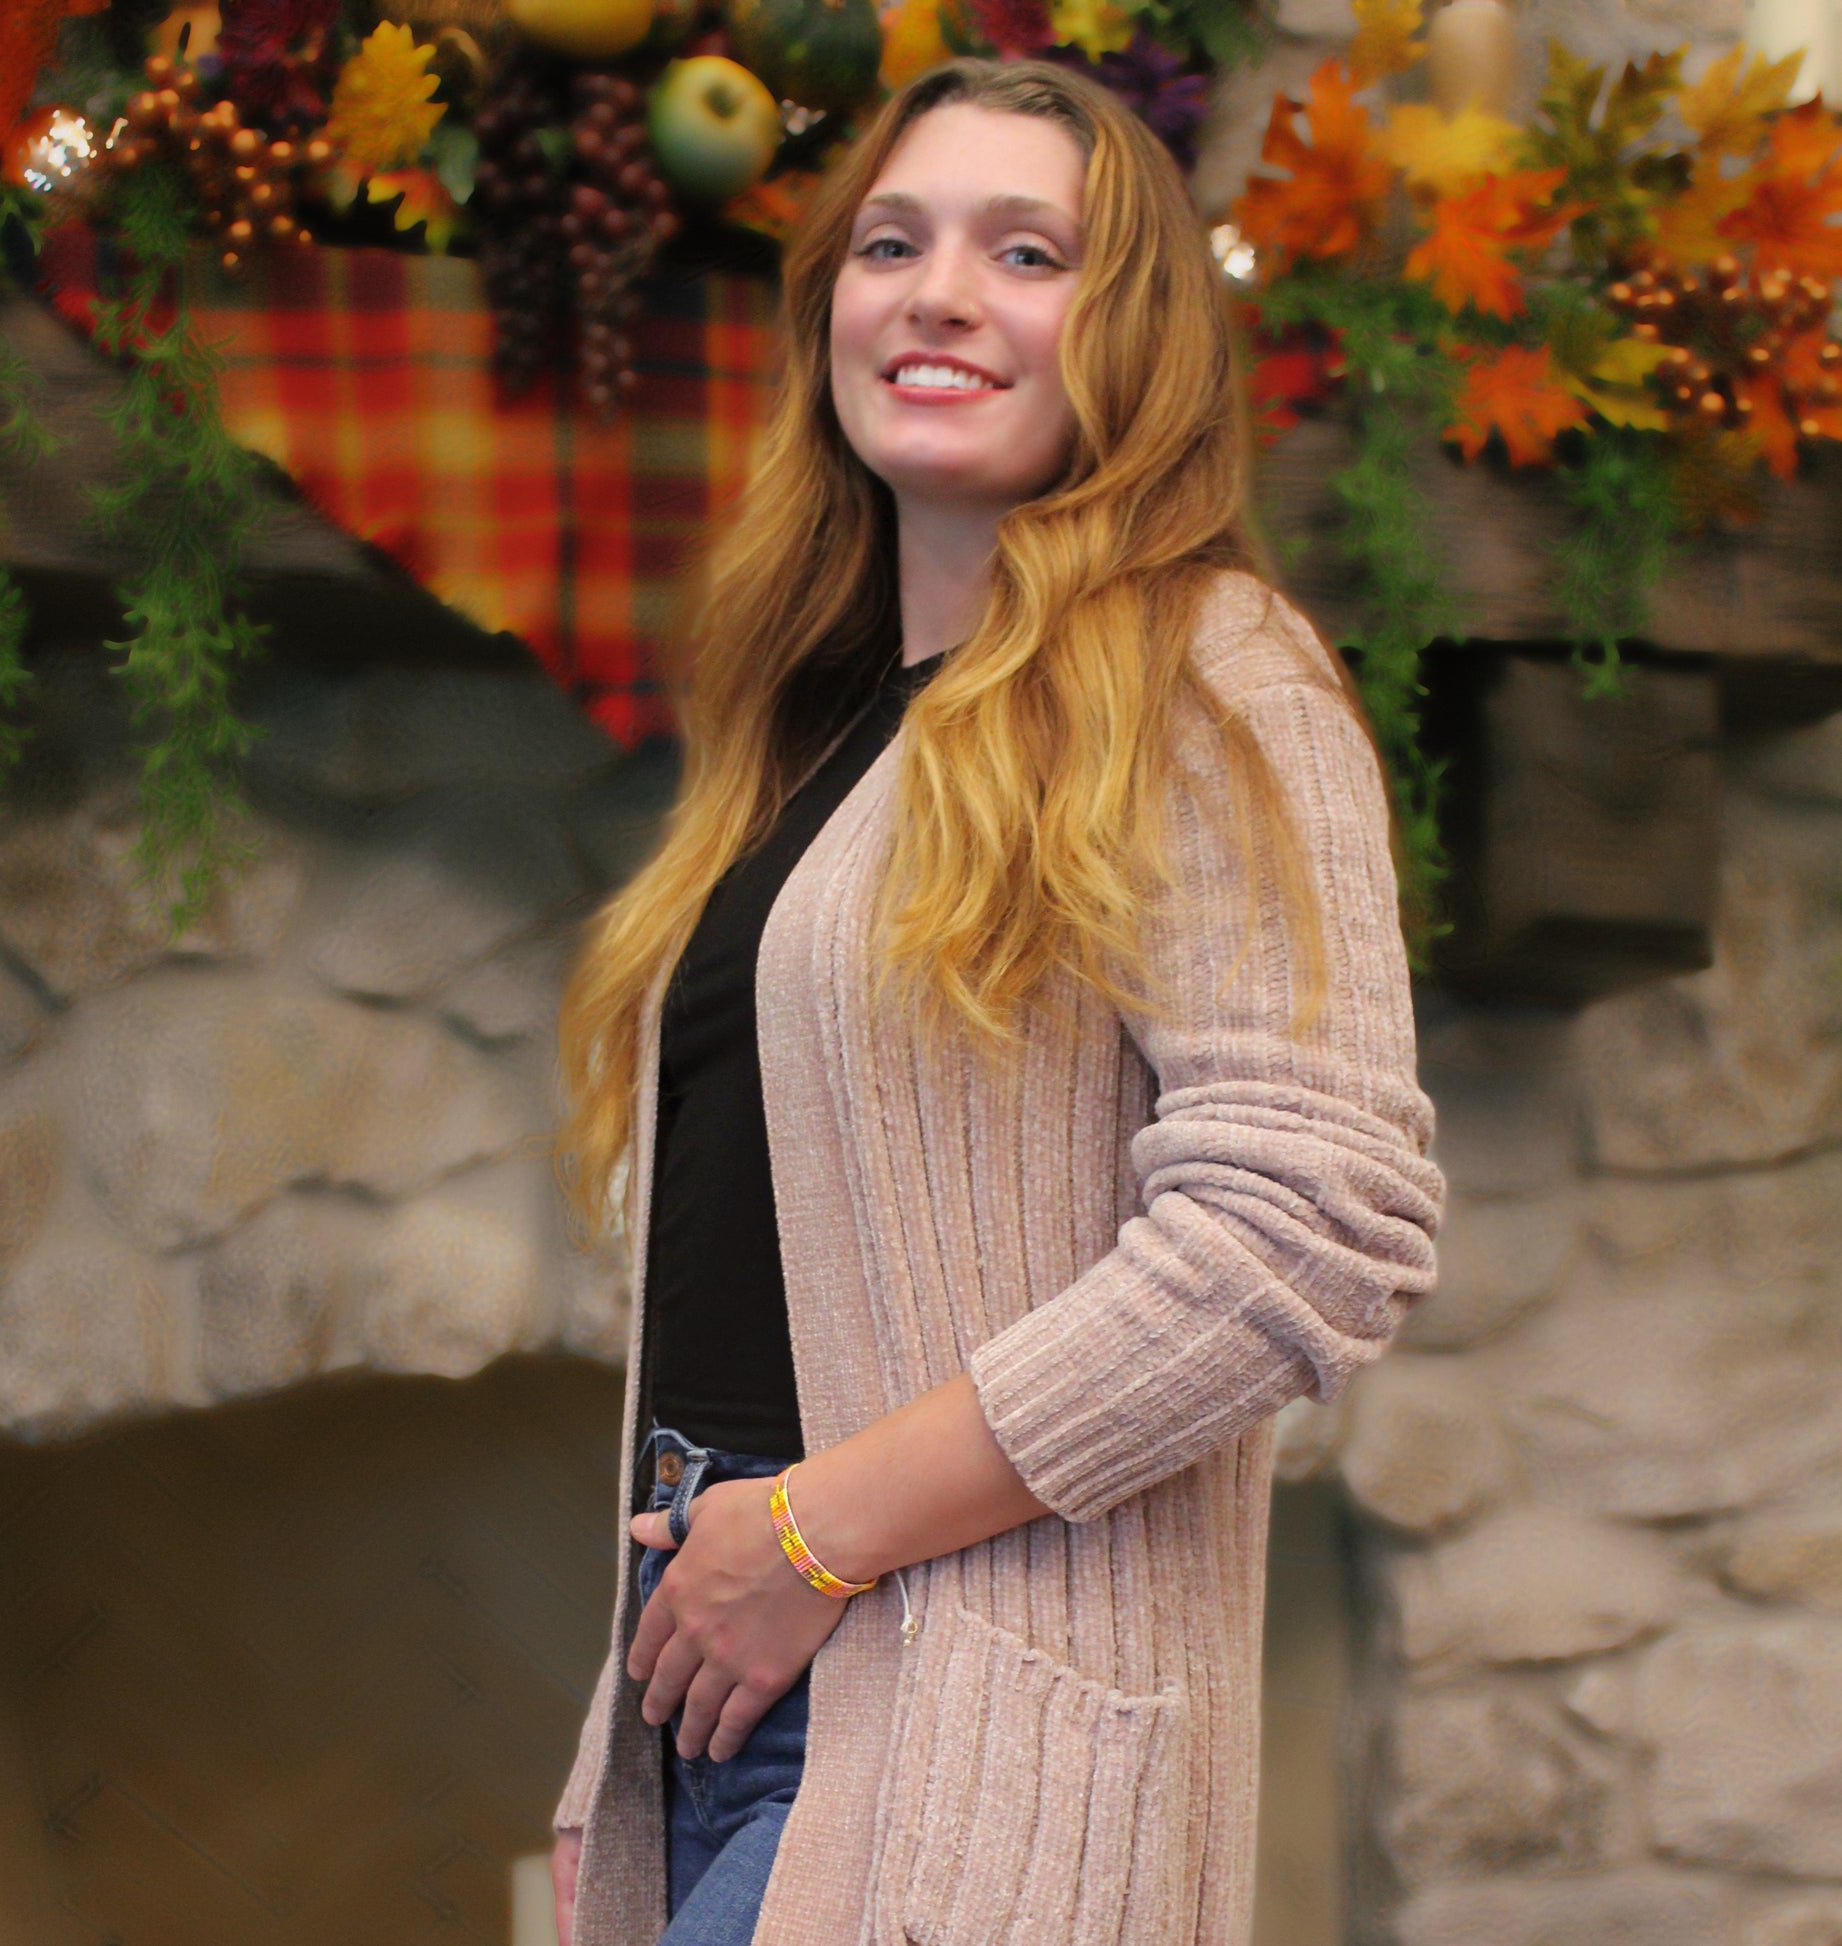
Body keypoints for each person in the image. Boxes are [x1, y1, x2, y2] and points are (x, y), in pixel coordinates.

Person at [546, 54, 1444, 1946]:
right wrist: (734, 1574)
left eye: (1025, 253)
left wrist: (812, 1531)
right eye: (891, 244)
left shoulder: (1207, 669)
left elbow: (1312, 1216)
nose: (939, 293)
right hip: (729, 1663)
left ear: (1134, 337)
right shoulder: (823, 732)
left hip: (962, 1719)